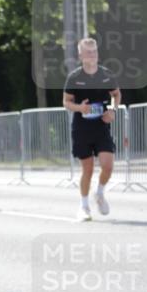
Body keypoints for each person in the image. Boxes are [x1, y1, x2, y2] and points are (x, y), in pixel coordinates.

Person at [63, 37, 121, 221]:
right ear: (80, 55)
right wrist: (80, 108)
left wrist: (112, 109)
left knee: (108, 166)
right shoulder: (74, 77)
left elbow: (116, 94)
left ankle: (100, 193)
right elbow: (66, 102)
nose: (92, 55)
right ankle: (84, 206)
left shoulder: (106, 75)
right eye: (88, 52)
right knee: (87, 169)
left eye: (94, 52)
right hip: (82, 128)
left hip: (101, 126)